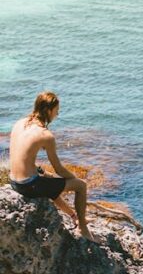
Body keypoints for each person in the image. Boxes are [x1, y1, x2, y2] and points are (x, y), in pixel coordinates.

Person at [9, 91, 94, 241]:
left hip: (13, 181)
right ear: (48, 110)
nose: (57, 114)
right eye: (56, 111)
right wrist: (74, 181)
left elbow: (21, 156)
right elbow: (59, 169)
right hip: (28, 186)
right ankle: (83, 229)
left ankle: (73, 215)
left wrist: (41, 171)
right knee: (81, 186)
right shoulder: (45, 135)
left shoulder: (19, 123)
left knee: (50, 183)